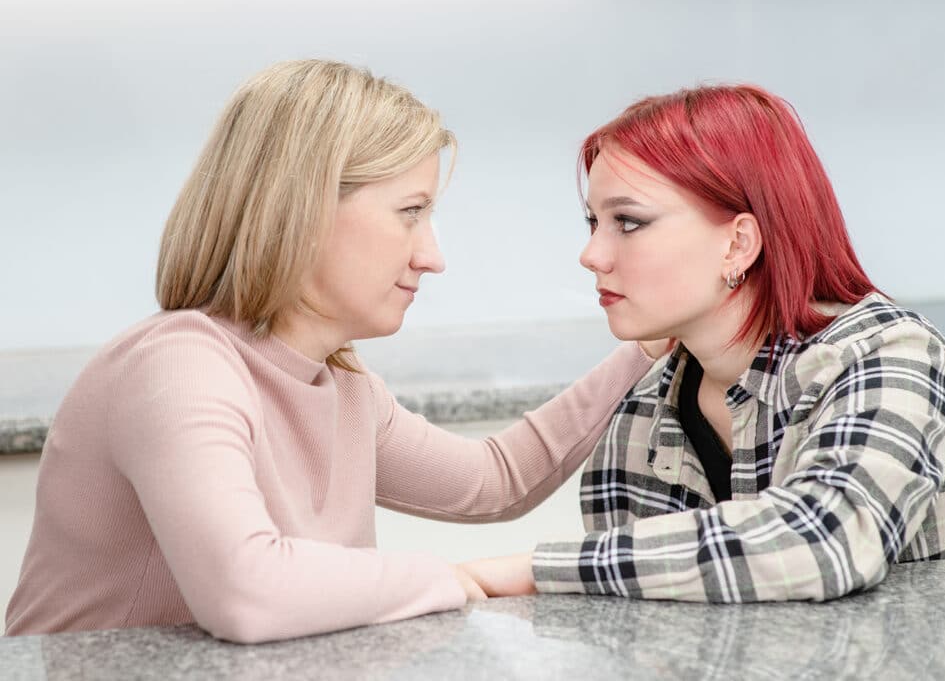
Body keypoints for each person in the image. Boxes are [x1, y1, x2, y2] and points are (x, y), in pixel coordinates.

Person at [4, 59, 662, 643]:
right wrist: (446, 578)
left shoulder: (344, 387)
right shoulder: (178, 365)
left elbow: (493, 480)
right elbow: (248, 590)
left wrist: (646, 348)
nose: (432, 256)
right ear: (303, 208)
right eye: (410, 211)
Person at [458, 84, 945, 602]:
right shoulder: (639, 420)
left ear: (739, 243)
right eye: (593, 222)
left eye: (627, 222)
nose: (591, 255)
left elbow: (826, 538)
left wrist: (535, 570)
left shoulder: (888, 357)